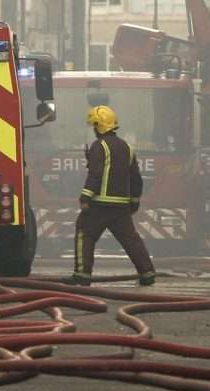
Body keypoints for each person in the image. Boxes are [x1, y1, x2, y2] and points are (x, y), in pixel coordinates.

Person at [63, 106, 157, 286]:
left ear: (100, 126)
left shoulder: (99, 146)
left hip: (99, 204)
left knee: (84, 232)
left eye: (94, 126)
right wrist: (134, 203)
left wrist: (85, 197)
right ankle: (147, 273)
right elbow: (136, 179)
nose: (93, 130)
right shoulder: (127, 147)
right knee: (130, 238)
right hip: (121, 206)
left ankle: (82, 273)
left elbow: (95, 174)